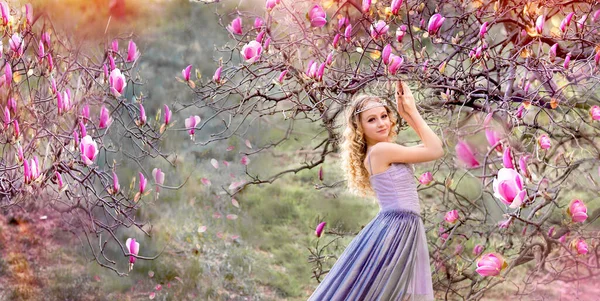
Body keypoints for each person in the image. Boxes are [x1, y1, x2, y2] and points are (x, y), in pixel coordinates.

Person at [308, 80, 443, 301]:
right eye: (372, 120)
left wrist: (406, 113)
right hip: (398, 227)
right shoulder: (381, 150)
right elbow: (435, 149)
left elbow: (431, 145)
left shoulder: (385, 150)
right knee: (392, 291)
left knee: (391, 291)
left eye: (384, 116)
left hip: (399, 225)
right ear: (360, 128)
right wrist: (412, 110)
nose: (381, 123)